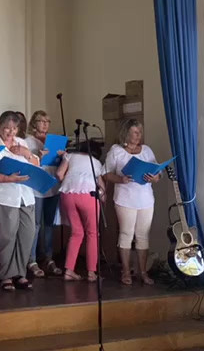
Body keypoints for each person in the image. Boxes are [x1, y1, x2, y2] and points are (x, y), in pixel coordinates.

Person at [0, 111, 36, 291]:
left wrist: (27, 154)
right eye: (7, 128)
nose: (11, 132)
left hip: (25, 195)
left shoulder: (22, 143)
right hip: (4, 196)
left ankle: (20, 273)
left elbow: (36, 165)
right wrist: (7, 178)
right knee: (7, 236)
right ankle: (6, 275)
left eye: (14, 129)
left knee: (27, 234)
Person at [103, 118, 160, 285]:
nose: (138, 135)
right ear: (126, 133)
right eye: (135, 132)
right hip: (125, 199)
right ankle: (126, 271)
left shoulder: (147, 150)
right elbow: (106, 173)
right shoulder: (116, 151)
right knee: (126, 234)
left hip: (146, 199)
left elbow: (157, 173)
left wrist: (154, 177)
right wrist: (121, 179)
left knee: (143, 235)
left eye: (140, 132)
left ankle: (143, 272)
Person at [56, 141, 105, 282]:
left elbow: (59, 174)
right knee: (92, 233)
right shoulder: (96, 163)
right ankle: (91, 273)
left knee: (76, 233)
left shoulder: (70, 156)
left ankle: (69, 270)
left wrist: (70, 182)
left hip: (67, 195)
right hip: (88, 195)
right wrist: (102, 196)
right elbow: (102, 188)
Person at [25, 110, 63, 278]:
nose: (45, 124)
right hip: (37, 188)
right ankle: (31, 259)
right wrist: (38, 157)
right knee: (35, 225)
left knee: (49, 224)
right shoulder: (28, 141)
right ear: (34, 123)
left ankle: (48, 257)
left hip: (52, 185)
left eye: (47, 121)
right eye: (41, 121)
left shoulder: (53, 140)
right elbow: (27, 165)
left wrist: (62, 156)